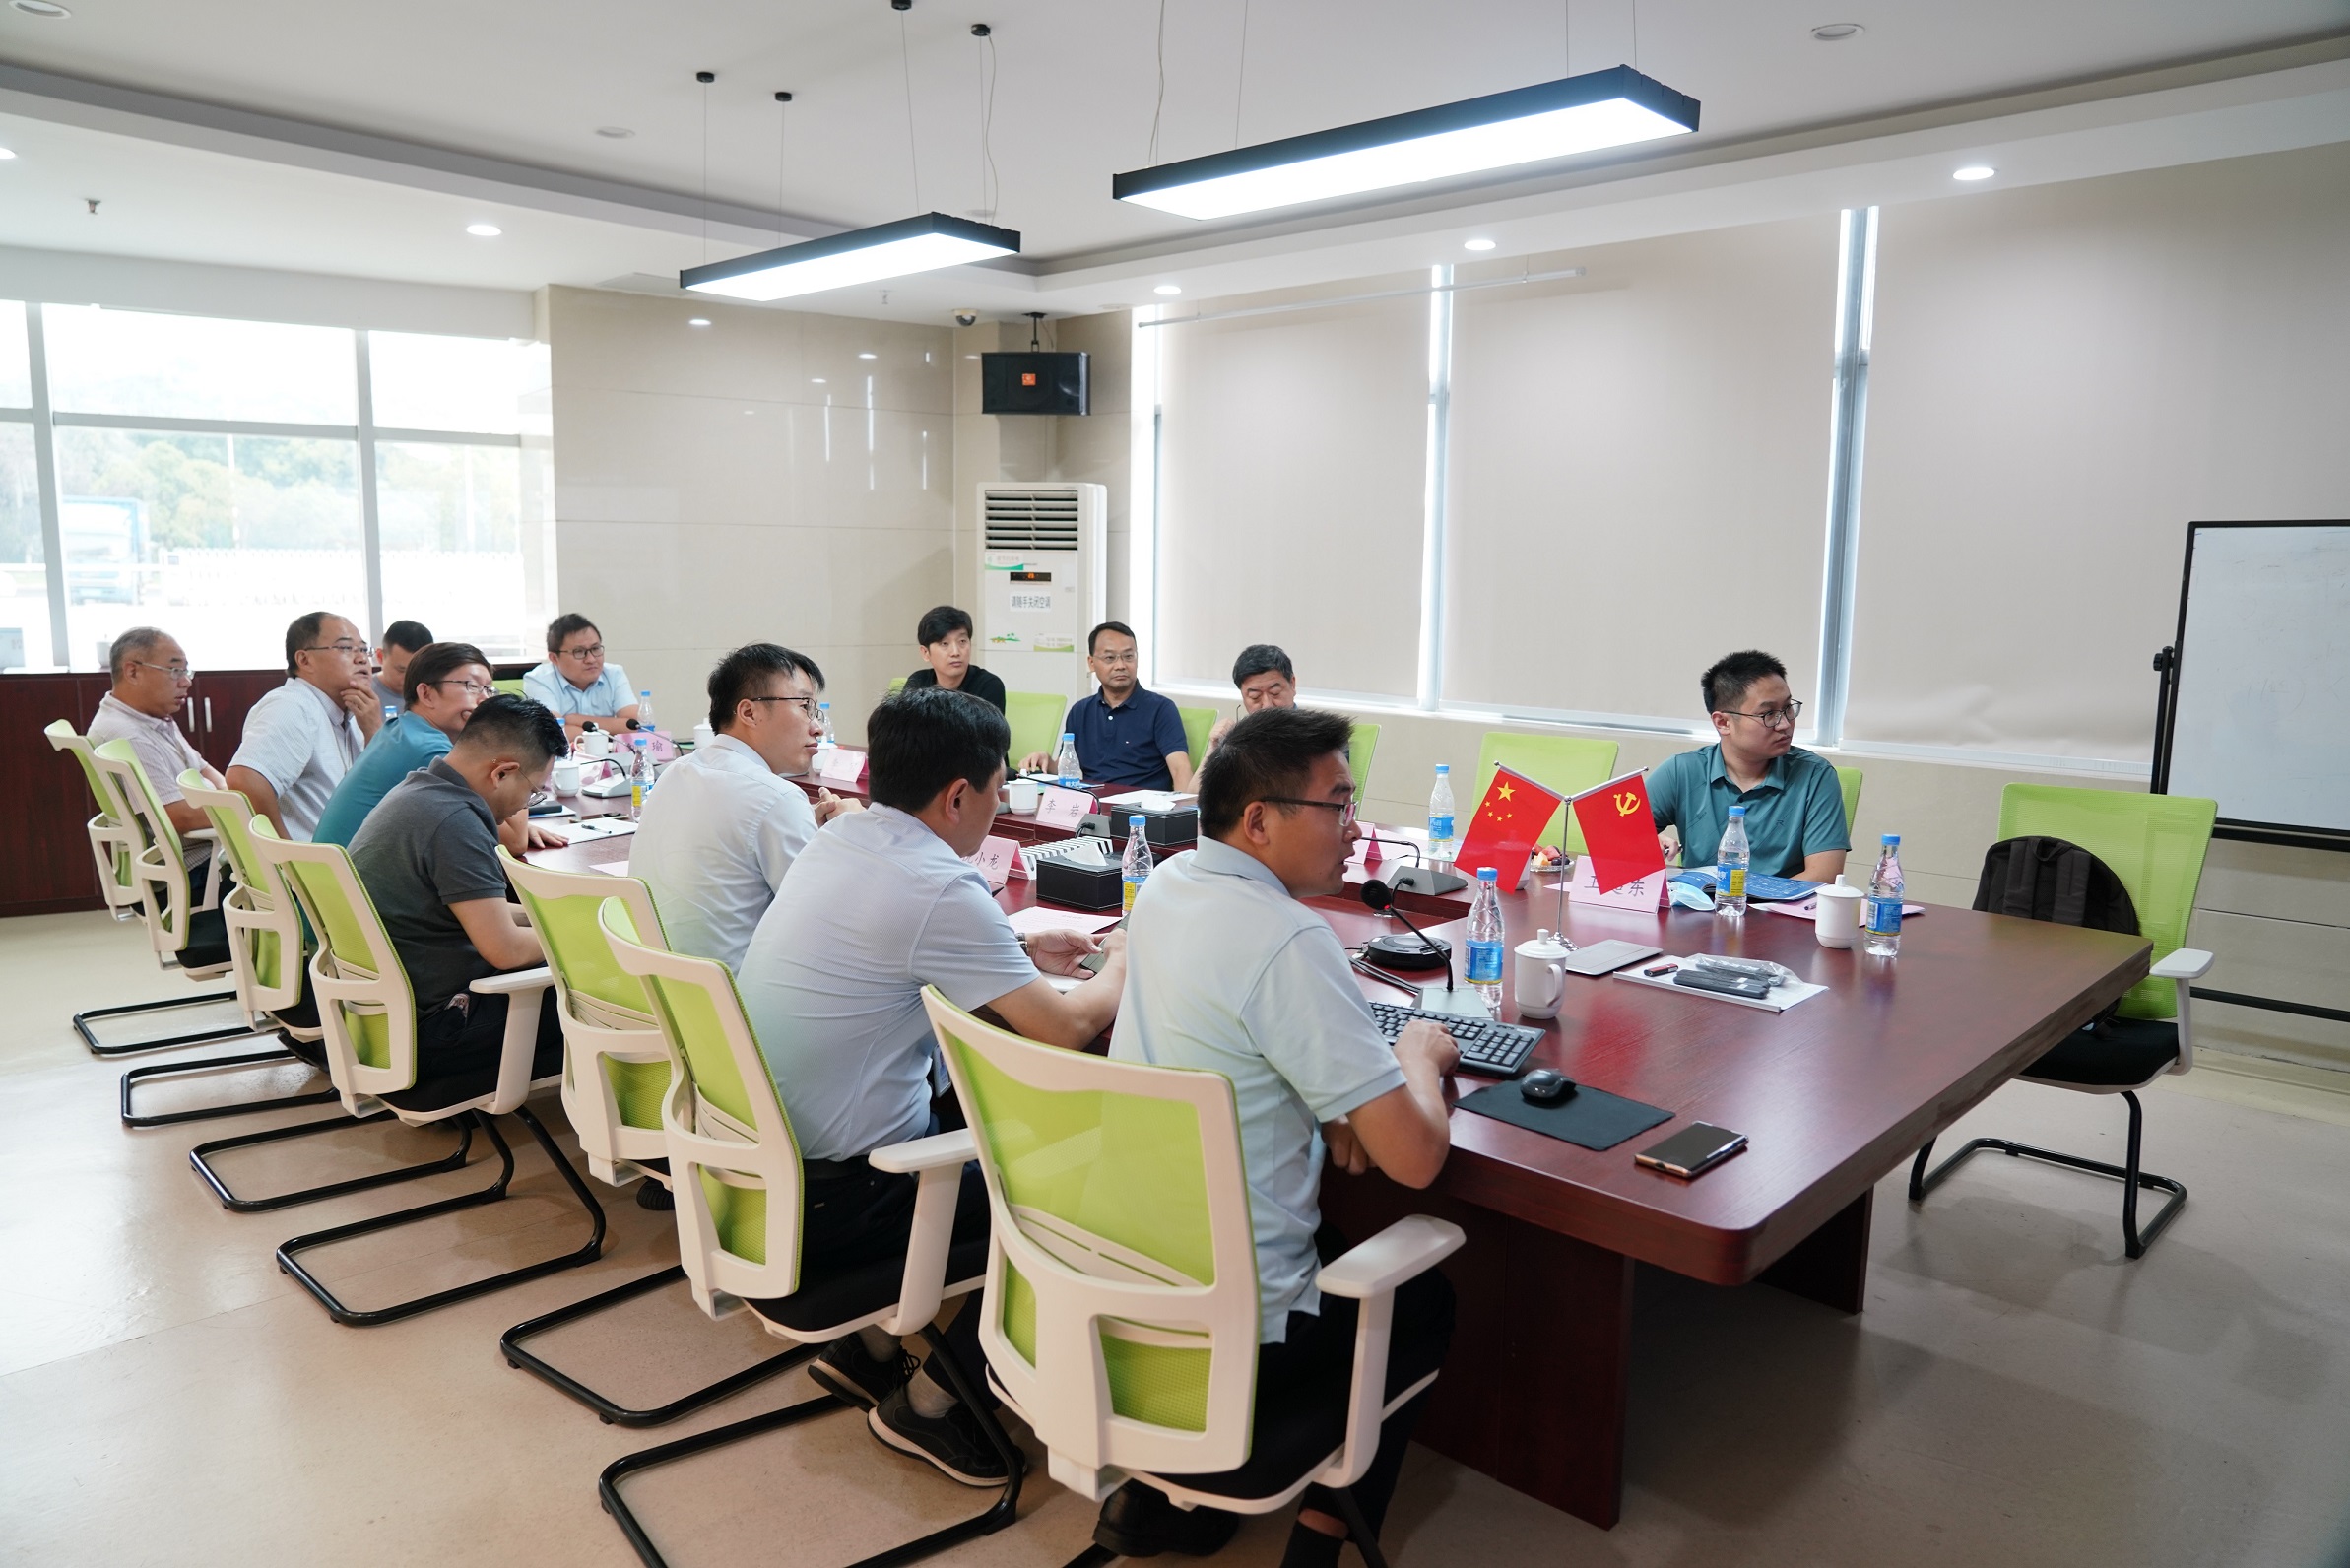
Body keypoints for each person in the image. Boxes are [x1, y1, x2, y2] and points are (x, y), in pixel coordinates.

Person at [737, 686, 1126, 1488]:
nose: (998, 806)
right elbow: (1066, 1030)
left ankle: (869, 1347)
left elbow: (900, 950)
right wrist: (1127, 958)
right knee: (1082, 1198)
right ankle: (932, 1403)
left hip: (761, 1175)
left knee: (978, 1112)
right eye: (996, 791)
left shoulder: (844, 839)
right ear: (957, 796)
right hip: (842, 1202)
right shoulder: (938, 884)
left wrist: (1015, 955)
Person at [1096, 705, 1458, 1565]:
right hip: (1234, 1343)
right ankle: (1319, 1544)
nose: (1356, 828)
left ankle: (1163, 1497)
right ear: (1258, 821)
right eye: (1338, 805)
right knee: (1425, 1300)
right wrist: (1416, 1056)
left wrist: (1333, 1100)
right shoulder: (1289, 936)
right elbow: (1413, 1159)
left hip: (1118, 1294)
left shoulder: (1169, 884)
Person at [346, 694, 569, 1100]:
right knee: (611, 992)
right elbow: (505, 950)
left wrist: (553, 916)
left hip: (384, 1020)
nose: (525, 804)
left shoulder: (417, 792)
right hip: (437, 1031)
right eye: (532, 792)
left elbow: (480, 911)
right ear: (502, 773)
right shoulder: (454, 821)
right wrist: (587, 939)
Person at [634, 643, 861, 970]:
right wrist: (855, 837)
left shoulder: (674, 773)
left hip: (661, 986)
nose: (817, 727)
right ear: (749, 713)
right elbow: (835, 925)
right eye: (804, 707)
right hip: (737, 994)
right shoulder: (776, 798)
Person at [312, 642, 564, 855]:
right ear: (426, 694)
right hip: (356, 892)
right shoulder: (430, 751)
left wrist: (515, 822)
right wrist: (519, 744)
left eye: (488, 689)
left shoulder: (403, 730)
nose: (484, 700)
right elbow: (514, 842)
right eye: (472, 686)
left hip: (335, 885)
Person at [1649, 649, 1851, 882]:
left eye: (1788, 708)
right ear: (1723, 722)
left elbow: (1824, 875)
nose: (1785, 724)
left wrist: (1745, 899)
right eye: (1768, 714)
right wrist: (1646, 841)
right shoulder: (1682, 772)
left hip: (1781, 905)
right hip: (1700, 903)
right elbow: (1617, 835)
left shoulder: (1815, 776)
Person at [87, 625, 227, 887]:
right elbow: (179, 816)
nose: (186, 681)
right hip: (193, 867)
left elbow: (203, 768)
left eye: (185, 671)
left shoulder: (152, 717)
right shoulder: (129, 736)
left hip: (207, 848)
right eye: (175, 670)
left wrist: (230, 795)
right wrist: (243, 809)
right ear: (132, 672)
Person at [227, 611, 382, 840]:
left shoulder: (351, 712)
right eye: (346, 648)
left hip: (348, 852)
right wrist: (285, 854)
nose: (361, 659)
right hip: (315, 859)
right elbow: (245, 780)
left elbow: (375, 795)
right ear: (305, 660)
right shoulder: (292, 706)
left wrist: (374, 731)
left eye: (363, 649)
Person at [1017, 621, 1193, 790]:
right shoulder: (1080, 711)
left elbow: (1180, 769)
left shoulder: (1161, 709)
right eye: (1110, 658)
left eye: (1128, 656)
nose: (1120, 665)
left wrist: (1186, 808)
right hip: (1092, 803)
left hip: (1142, 806)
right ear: (1092, 663)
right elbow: (1068, 768)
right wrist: (1047, 761)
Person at [524, 613, 640, 743]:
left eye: (595, 649)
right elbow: (552, 734)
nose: (591, 659)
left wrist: (575, 719)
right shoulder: (538, 680)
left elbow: (636, 726)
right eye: (579, 652)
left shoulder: (614, 674)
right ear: (554, 658)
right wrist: (610, 730)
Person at [901, 605, 1007, 713]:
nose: (956, 652)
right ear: (925, 653)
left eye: (962, 641)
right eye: (944, 644)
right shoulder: (918, 682)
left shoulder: (988, 685)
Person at [1206, 642, 1298, 751]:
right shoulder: (1238, 742)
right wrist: (1215, 749)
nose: (1267, 705)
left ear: (1292, 684)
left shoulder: (1312, 736)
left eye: (1275, 693)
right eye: (1255, 697)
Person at [370, 621, 434, 717]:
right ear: (380, 656)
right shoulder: (363, 696)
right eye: (401, 670)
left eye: (418, 671)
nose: (410, 679)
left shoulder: (437, 694)